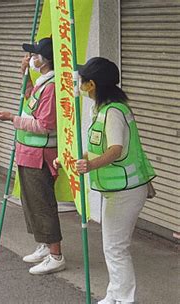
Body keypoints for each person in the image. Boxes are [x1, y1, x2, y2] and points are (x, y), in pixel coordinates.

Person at [66, 57, 154, 304]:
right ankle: (115, 294)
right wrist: (77, 159)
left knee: (116, 248)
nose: (80, 84)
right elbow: (97, 149)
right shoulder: (103, 109)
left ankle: (125, 299)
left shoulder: (113, 112)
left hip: (126, 189)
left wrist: (90, 165)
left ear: (92, 84)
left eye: (83, 81)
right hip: (116, 188)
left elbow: (115, 149)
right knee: (112, 246)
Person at [0, 37, 65, 275]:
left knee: (42, 204)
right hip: (28, 152)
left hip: (41, 155)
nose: (31, 58)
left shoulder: (53, 86)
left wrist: (11, 118)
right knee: (31, 203)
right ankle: (44, 245)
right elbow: (30, 100)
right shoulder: (43, 82)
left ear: (46, 59)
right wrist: (24, 74)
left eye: (35, 55)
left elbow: (45, 124)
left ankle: (56, 254)